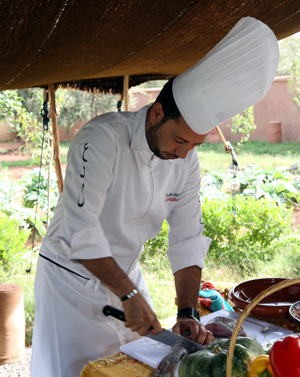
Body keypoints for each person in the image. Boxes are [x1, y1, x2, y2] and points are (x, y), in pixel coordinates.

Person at [30, 17, 279, 377]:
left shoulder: (186, 161)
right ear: (157, 113)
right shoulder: (101, 138)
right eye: (180, 141)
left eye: (193, 145)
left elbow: (187, 239)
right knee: (76, 371)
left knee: (131, 367)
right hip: (72, 285)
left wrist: (187, 312)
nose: (183, 154)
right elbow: (79, 229)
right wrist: (129, 296)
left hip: (127, 278)